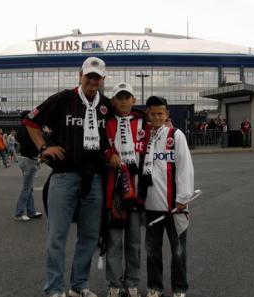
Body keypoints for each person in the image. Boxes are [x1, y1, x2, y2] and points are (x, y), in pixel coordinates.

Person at [24, 57, 112, 297]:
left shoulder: (106, 105)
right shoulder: (64, 98)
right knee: (57, 235)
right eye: (89, 76)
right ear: (80, 75)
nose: (93, 81)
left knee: (90, 235)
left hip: (94, 178)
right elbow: (31, 121)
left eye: (97, 77)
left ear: (103, 79)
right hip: (64, 176)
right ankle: (54, 288)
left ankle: (79, 285)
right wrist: (43, 148)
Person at [140, 96, 194, 297]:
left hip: (176, 206)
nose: (156, 117)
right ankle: (155, 287)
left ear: (167, 114)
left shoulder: (175, 135)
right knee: (152, 251)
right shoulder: (141, 136)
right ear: (147, 113)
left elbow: (185, 167)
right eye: (153, 113)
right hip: (151, 205)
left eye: (160, 113)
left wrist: (183, 197)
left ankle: (180, 288)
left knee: (178, 251)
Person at [104, 82, 146, 297]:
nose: (123, 101)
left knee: (134, 242)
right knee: (113, 241)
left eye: (127, 97)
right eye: (119, 97)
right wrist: (109, 153)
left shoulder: (143, 122)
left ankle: (132, 282)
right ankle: (114, 284)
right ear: (113, 101)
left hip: (137, 193)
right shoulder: (105, 123)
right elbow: (100, 147)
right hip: (115, 193)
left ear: (134, 100)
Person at [13, 111, 42, 221]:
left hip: (23, 159)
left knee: (28, 188)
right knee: (26, 188)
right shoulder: (30, 129)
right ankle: (18, 213)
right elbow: (37, 143)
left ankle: (31, 211)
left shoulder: (20, 130)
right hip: (30, 160)